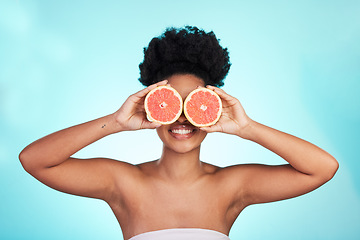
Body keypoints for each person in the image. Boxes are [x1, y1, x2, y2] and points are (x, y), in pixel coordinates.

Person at [19, 26, 339, 240]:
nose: (183, 118)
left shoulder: (232, 187)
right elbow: (34, 160)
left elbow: (323, 168)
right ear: (151, 107)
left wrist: (247, 128)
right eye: (172, 103)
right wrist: (116, 121)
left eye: (195, 104)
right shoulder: (123, 184)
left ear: (213, 107)